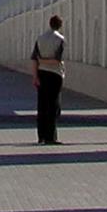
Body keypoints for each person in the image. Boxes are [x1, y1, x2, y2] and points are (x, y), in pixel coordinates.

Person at [32, 13, 67, 145]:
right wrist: (47, 61)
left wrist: (35, 76)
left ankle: (41, 135)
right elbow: (58, 60)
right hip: (55, 75)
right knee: (53, 106)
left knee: (42, 105)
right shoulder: (60, 39)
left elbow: (35, 59)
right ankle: (51, 136)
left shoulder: (40, 38)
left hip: (41, 73)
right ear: (60, 25)